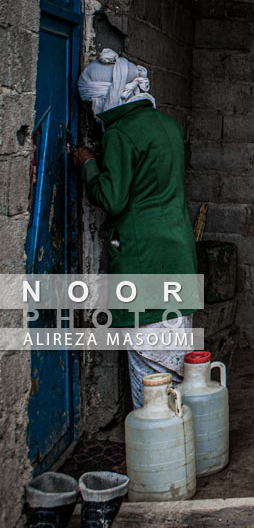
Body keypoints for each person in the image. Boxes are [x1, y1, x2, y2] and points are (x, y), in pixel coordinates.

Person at [72, 48, 198, 408]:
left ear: (110, 94)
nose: (93, 112)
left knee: (150, 367)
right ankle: (179, 442)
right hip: (176, 252)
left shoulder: (121, 134)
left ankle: (158, 450)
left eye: (94, 102)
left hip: (144, 259)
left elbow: (112, 199)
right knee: (174, 354)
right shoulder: (167, 124)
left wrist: (88, 165)